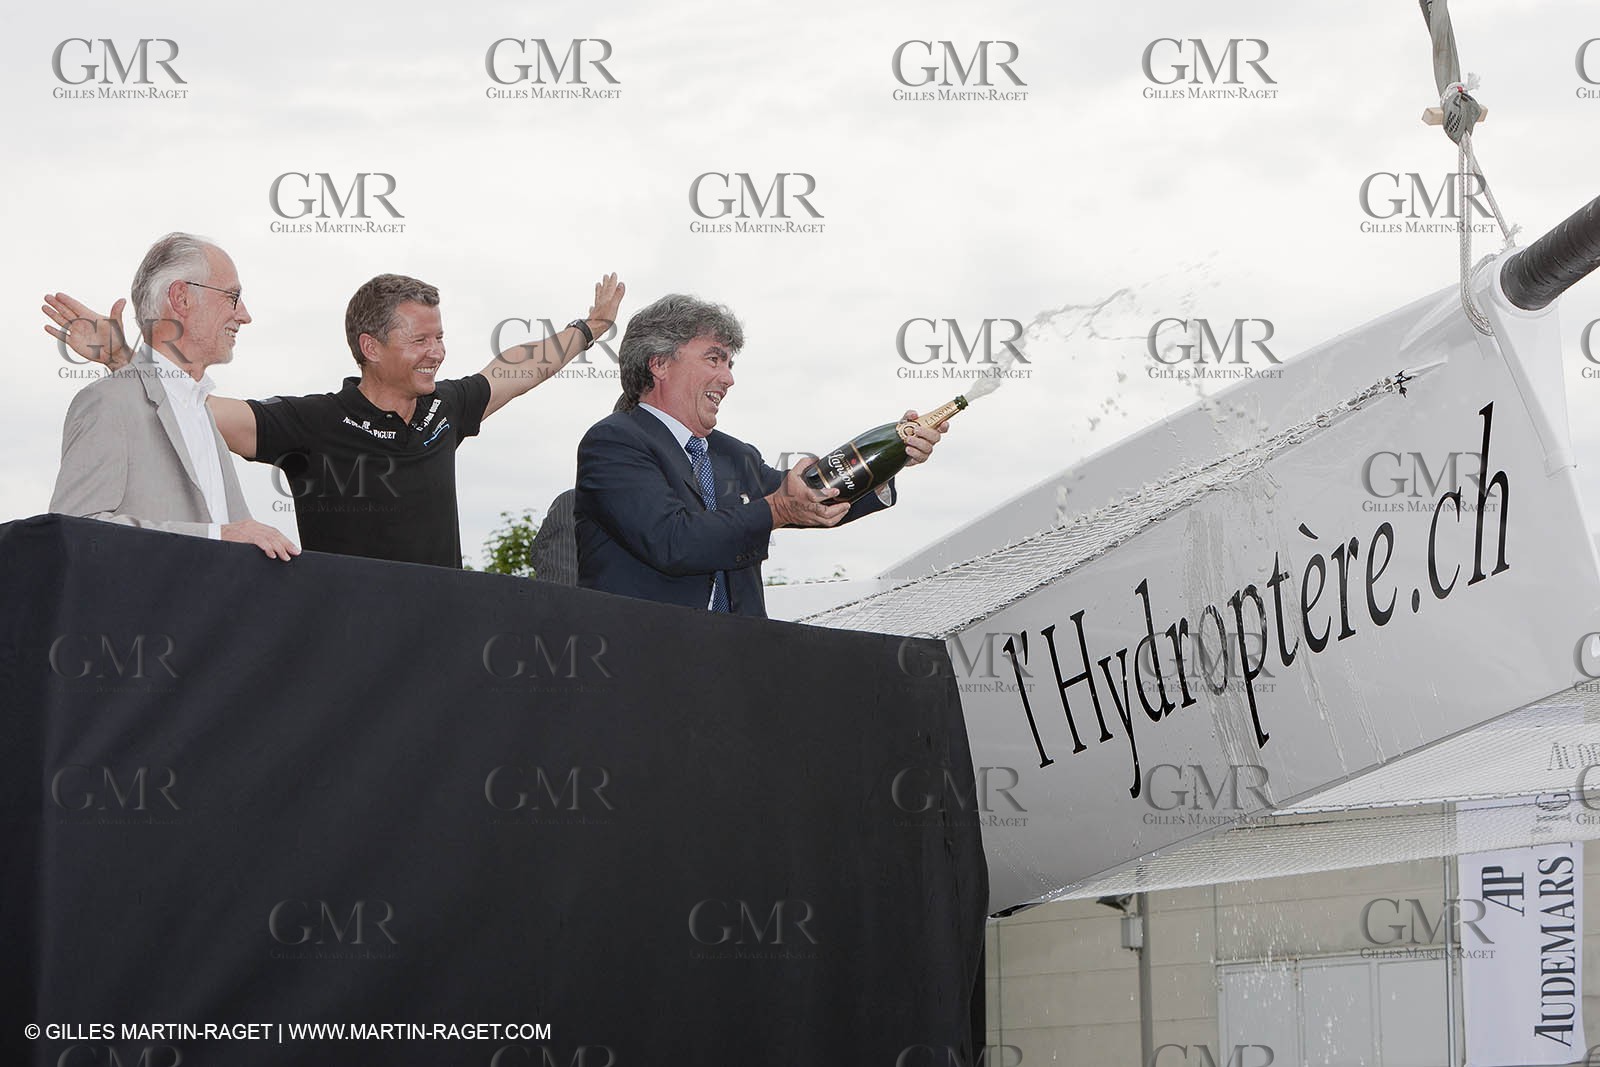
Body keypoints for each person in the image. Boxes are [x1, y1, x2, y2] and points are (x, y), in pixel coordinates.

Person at [45, 266, 624, 569]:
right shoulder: (313, 424)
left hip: (445, 628)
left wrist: (591, 327)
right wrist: (122, 359)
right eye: (421, 339)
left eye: (441, 337)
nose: (438, 352)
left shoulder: (446, 409)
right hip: (348, 635)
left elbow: (515, 369)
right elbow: (190, 410)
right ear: (371, 347)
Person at [573, 294, 947, 617]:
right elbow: (673, 541)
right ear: (659, 363)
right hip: (644, 673)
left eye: (730, 364)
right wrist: (778, 509)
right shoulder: (613, 442)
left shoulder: (736, 456)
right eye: (714, 359)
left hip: (738, 670)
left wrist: (894, 453)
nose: (728, 379)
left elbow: (814, 492)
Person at [45, 232, 298, 561]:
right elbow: (74, 531)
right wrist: (215, 536)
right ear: (181, 298)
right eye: (233, 297)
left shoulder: (199, 410)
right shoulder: (108, 402)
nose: (244, 315)